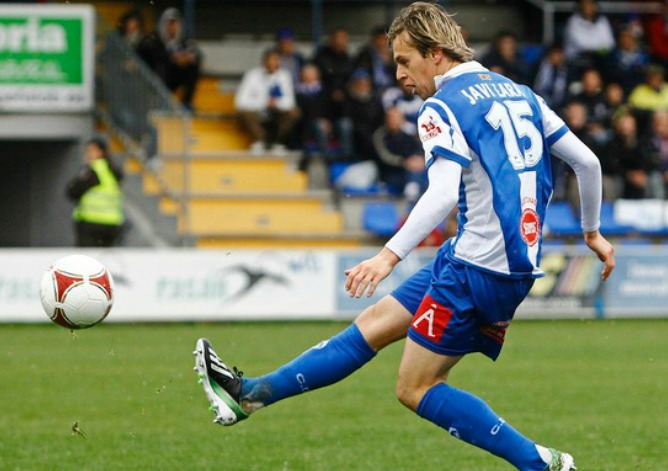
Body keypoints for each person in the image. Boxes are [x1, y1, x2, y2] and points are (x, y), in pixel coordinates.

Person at [193, 3, 615, 471]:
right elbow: (589, 163)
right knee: (373, 324)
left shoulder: (443, 106)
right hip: (486, 260)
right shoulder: (521, 93)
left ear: (435, 54)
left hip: (477, 269)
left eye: (403, 60)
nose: (397, 74)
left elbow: (441, 194)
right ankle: (249, 396)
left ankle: (543, 464)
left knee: (415, 387)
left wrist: (386, 258)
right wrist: (592, 232)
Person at [235, 49, 301, 155]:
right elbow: (240, 102)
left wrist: (276, 104)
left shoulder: (284, 76)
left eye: (276, 60)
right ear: (263, 62)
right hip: (257, 112)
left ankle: (277, 143)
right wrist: (264, 103)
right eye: (270, 60)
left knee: (294, 112)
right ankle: (260, 142)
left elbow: (290, 102)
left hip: (276, 112)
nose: (272, 63)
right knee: (244, 112)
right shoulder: (252, 75)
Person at [136, 7, 202, 111]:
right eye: (169, 24)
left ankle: (186, 102)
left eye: (175, 24)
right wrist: (172, 58)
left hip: (172, 78)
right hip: (154, 78)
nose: (172, 28)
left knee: (193, 66)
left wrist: (185, 58)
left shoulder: (184, 42)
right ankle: (159, 100)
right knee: (161, 60)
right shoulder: (153, 39)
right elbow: (144, 53)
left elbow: (196, 55)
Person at [66, 137, 125, 247]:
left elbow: (72, 192)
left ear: (101, 152)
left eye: (91, 150)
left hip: (91, 222)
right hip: (112, 223)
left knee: (87, 261)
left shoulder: (91, 172)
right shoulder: (113, 171)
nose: (88, 154)